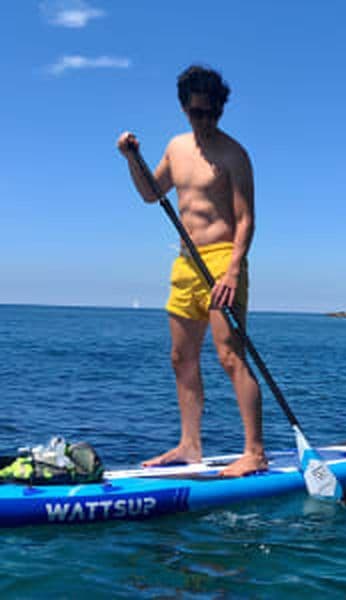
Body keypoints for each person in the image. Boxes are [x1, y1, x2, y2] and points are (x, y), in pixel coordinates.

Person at [116, 65, 266, 476]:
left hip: (223, 260)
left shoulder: (234, 154)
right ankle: (189, 445)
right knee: (181, 357)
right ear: (184, 108)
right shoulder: (177, 148)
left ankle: (254, 451)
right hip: (185, 262)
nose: (206, 120)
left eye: (213, 113)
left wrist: (232, 272)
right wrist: (132, 158)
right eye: (198, 112)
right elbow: (150, 193)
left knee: (230, 356)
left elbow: (246, 218)